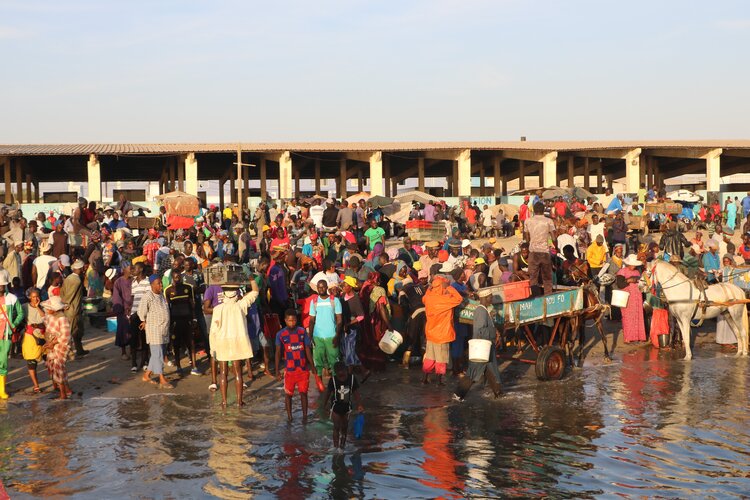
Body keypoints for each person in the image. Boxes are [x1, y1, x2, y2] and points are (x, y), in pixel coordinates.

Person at [209, 280, 259, 407]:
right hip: (238, 342)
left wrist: (212, 348)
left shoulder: (217, 308)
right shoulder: (241, 305)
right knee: (238, 372)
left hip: (222, 342)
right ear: (236, 293)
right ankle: (239, 401)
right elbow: (255, 292)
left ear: (224, 294)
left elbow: (213, 331)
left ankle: (224, 402)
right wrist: (251, 278)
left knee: (223, 373)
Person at [453, 289, 502, 401]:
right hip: (482, 347)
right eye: (490, 297)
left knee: (492, 371)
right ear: (484, 298)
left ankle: (498, 393)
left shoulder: (484, 310)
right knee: (473, 373)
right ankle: (458, 394)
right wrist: (494, 332)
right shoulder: (481, 311)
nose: (492, 299)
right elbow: (480, 330)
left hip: (486, 346)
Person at [275, 309, 316, 422]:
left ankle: (304, 416)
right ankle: (289, 417)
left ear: (296, 320)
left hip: (303, 369)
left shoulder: (302, 332)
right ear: (285, 321)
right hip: (289, 370)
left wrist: (312, 366)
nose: (291, 323)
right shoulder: (281, 334)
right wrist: (277, 370)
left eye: (293, 320)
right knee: (288, 394)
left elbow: (307, 349)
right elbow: (278, 353)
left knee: (303, 393)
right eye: (289, 321)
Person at [422, 275, 463, 385]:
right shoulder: (445, 300)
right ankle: (439, 381)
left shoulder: (429, 297)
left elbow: (424, 297)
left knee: (430, 357)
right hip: (442, 334)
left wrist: (430, 289)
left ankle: (425, 378)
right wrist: (449, 288)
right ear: (442, 286)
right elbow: (459, 299)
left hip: (430, 333)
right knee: (441, 358)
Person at [139, 274, 173, 390]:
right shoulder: (148, 296)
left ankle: (146, 375)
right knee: (158, 354)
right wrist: (143, 320)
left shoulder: (161, 296)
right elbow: (141, 311)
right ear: (152, 285)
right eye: (158, 283)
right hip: (154, 329)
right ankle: (162, 378)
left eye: (161, 283)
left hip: (163, 329)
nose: (161, 285)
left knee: (158, 353)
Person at [323, 361, 363, 452]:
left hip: (347, 408)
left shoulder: (352, 379)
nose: (342, 377)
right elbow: (328, 393)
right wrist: (324, 405)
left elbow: (356, 393)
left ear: (347, 371)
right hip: (336, 407)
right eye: (339, 375)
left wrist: (360, 405)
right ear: (336, 373)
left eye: (344, 375)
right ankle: (335, 446)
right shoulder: (333, 380)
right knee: (336, 426)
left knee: (344, 427)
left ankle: (342, 447)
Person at [164, 270, 197, 375]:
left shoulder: (188, 288)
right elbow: (167, 308)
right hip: (175, 322)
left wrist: (194, 319)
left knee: (191, 343)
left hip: (187, 320)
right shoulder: (168, 290)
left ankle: (194, 366)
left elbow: (192, 304)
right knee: (176, 345)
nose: (178, 279)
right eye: (175, 277)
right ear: (172, 278)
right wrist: (169, 323)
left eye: (179, 277)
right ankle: (178, 366)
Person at [308, 279, 342, 378]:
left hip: (331, 336)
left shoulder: (334, 300)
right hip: (317, 337)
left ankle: (336, 385)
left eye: (323, 287)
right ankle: (320, 387)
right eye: (319, 287)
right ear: (317, 289)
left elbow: (339, 319)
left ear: (327, 288)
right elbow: (311, 320)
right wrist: (310, 336)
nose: (321, 289)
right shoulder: (314, 302)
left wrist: (337, 335)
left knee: (334, 361)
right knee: (318, 363)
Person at [41, 295, 72, 400]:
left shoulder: (62, 319)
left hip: (60, 347)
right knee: (54, 368)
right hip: (52, 346)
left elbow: (66, 336)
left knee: (59, 368)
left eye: (49, 308)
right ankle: (66, 390)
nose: (47, 309)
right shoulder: (50, 317)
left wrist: (53, 343)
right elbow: (45, 321)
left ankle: (63, 394)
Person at [0, 272, 24, 399]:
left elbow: (21, 313)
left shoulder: (12, 298)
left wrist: (13, 325)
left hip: (5, 335)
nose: (0, 287)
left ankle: (2, 390)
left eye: (1, 285)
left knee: (3, 361)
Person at [524, 202, 556, 295]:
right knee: (547, 278)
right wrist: (556, 247)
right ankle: (548, 297)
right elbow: (554, 238)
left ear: (534, 210)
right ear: (543, 210)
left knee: (533, 278)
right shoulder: (548, 221)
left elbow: (526, 239)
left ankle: (535, 297)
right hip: (545, 252)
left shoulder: (528, 221)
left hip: (533, 253)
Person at [615, 255, 646, 344]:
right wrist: (629, 280)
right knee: (628, 317)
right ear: (628, 264)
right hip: (627, 298)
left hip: (637, 297)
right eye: (632, 265)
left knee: (638, 316)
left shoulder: (637, 272)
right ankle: (628, 338)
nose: (634, 266)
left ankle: (638, 337)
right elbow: (620, 285)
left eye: (635, 265)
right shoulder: (622, 271)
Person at [60, 259, 86, 357]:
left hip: (73, 309)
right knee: (71, 332)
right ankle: (68, 352)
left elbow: (62, 292)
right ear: (79, 268)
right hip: (73, 309)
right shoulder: (76, 280)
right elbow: (70, 295)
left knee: (78, 331)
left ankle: (79, 350)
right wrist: (65, 304)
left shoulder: (69, 278)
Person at [22, 288, 46, 394]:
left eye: (37, 296)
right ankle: (36, 385)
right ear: (29, 297)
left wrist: (38, 307)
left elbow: (45, 319)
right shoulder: (24, 307)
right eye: (33, 296)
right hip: (30, 337)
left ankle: (56, 382)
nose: (35, 298)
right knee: (31, 362)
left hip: (43, 336)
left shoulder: (43, 306)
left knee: (49, 360)